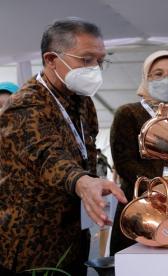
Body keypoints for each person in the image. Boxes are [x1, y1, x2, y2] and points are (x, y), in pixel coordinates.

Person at [0, 18, 127, 275]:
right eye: (86, 59)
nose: (95, 69)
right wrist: (83, 182)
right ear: (50, 59)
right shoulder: (24, 104)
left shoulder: (82, 101)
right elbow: (47, 156)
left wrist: (91, 180)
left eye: (100, 61)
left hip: (71, 238)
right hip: (30, 245)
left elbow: (87, 151)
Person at [109, 50, 168, 254]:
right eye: (158, 74)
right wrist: (163, 188)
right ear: (146, 78)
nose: (167, 79)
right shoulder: (128, 113)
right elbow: (124, 162)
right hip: (141, 207)